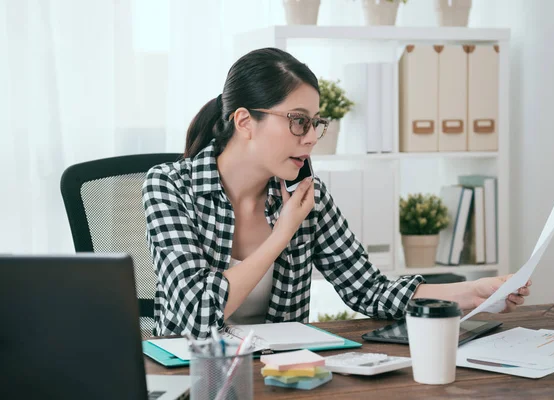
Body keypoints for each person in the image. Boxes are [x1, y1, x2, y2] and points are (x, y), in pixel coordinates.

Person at [143, 47, 531, 339]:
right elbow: (197, 312)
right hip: (193, 376)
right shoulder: (170, 186)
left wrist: (474, 292)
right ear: (245, 121)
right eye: (298, 121)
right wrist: (281, 235)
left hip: (284, 376)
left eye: (315, 123)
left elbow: (369, 290)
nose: (311, 138)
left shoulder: (308, 197)